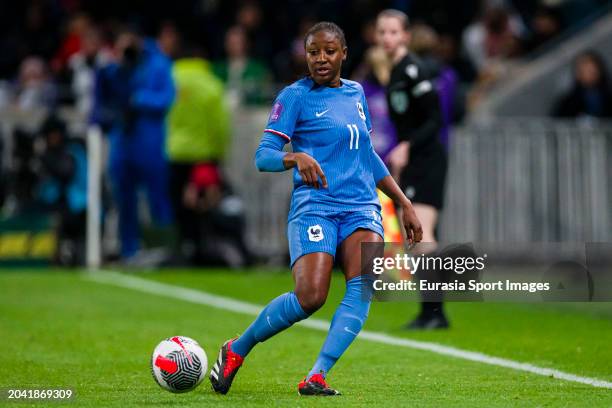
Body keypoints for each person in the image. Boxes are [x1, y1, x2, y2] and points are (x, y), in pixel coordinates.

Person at [209, 22, 422, 396]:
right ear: (305, 56)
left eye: (328, 51)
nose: (321, 59)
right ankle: (236, 349)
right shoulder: (294, 97)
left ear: (343, 54)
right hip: (316, 207)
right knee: (311, 297)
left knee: (364, 284)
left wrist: (403, 202)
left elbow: (366, 154)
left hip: (361, 206)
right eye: (313, 53)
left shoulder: (356, 93)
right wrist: (295, 157)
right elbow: (264, 157)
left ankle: (317, 375)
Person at [376, 9, 449, 329]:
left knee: (422, 235)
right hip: (415, 158)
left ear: (405, 36)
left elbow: (435, 119)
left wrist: (407, 146)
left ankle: (434, 314)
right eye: (382, 32)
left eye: (394, 32)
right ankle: (432, 313)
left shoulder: (412, 69)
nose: (387, 38)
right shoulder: (396, 71)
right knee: (418, 235)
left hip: (428, 158)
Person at [92, 26, 175, 259]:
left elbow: (166, 98)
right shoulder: (113, 67)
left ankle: (165, 250)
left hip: (149, 143)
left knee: (157, 197)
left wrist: (138, 99)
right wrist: (113, 67)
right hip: (122, 143)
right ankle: (129, 249)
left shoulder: (158, 64)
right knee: (124, 200)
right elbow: (101, 99)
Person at [552, 50, 612, 119]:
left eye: (591, 70)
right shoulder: (568, 102)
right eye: (584, 70)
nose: (589, 74)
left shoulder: (608, 96)